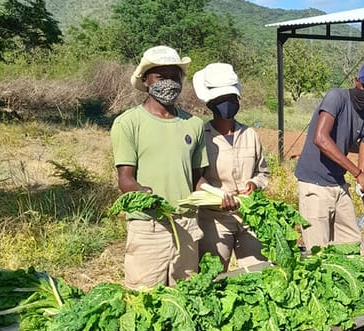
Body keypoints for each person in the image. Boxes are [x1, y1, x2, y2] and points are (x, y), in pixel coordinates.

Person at [111, 45, 207, 289]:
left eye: (175, 77)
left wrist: (218, 194)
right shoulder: (128, 123)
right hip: (148, 226)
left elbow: (197, 179)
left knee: (186, 300)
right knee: (144, 302)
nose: (170, 83)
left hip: (186, 224)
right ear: (146, 80)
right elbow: (125, 179)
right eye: (161, 77)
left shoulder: (194, 125)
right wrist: (145, 195)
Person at [294, 61, 364, 249]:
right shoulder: (336, 97)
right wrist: (357, 173)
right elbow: (320, 138)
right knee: (318, 254)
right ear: (356, 81)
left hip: (339, 186)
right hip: (314, 185)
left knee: (352, 246)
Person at [192, 62, 270, 271]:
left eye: (231, 99)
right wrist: (218, 196)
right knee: (214, 275)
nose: (227, 104)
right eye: (221, 100)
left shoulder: (250, 135)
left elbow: (263, 172)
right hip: (215, 219)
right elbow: (196, 178)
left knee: (257, 273)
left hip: (249, 216)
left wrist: (255, 184)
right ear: (211, 104)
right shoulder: (202, 137)